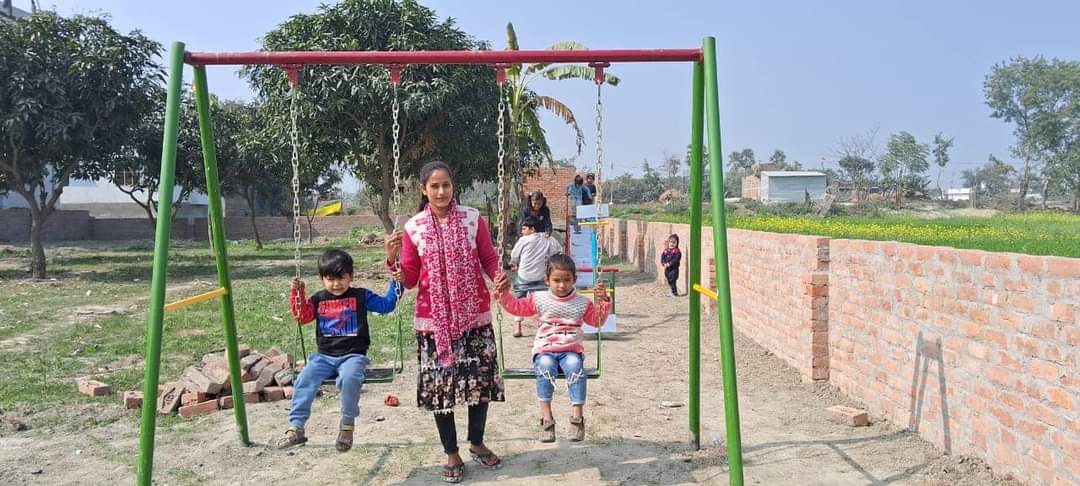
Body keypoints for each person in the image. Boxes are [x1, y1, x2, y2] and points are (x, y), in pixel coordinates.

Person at [396, 161, 505, 483]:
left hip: (474, 317)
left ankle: (477, 442)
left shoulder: (472, 218)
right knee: (440, 388)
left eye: (446, 185)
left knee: (479, 384)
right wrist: (393, 262)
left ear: (453, 186)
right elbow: (410, 279)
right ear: (424, 189)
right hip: (433, 322)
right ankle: (451, 452)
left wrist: (498, 276)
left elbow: (488, 257)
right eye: (434, 186)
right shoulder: (413, 227)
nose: (441, 191)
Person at [278, 244, 401, 452]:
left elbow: (386, 305)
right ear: (322, 279)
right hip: (323, 357)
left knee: (349, 379)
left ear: (350, 276)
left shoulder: (361, 295)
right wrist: (297, 293)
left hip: (353, 356)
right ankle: (296, 427)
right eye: (330, 279)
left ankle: (347, 425)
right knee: (304, 378)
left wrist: (397, 282)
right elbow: (302, 316)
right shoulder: (318, 299)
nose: (336, 284)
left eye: (341, 278)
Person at [494, 254, 611, 443]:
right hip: (545, 350)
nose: (562, 285)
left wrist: (603, 300)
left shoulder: (582, 303)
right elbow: (517, 307)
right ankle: (546, 419)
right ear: (547, 279)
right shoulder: (538, 299)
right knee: (545, 367)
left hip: (571, 350)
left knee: (575, 366)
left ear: (574, 279)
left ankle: (577, 419)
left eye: (567, 280)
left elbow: (597, 321)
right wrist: (504, 294)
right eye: (556, 280)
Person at [508, 216, 562, 338]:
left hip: (524, 276)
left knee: (519, 300)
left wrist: (513, 263)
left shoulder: (523, 240)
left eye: (524, 229)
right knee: (542, 302)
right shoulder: (548, 238)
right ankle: (542, 327)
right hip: (540, 276)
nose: (522, 231)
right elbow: (558, 251)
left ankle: (518, 327)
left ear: (532, 229)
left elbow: (514, 255)